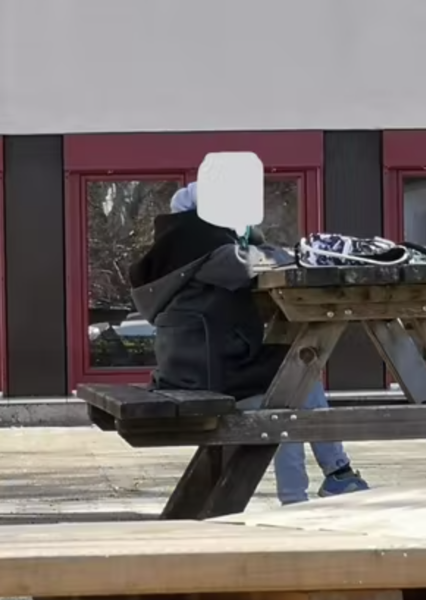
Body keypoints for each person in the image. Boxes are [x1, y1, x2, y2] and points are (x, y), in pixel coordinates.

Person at [129, 182, 369, 505]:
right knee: (295, 378)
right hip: (213, 375)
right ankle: (316, 486)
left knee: (296, 373)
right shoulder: (210, 250)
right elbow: (259, 261)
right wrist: (262, 241)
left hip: (189, 369)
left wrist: (249, 237)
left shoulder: (177, 252)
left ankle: (327, 479)